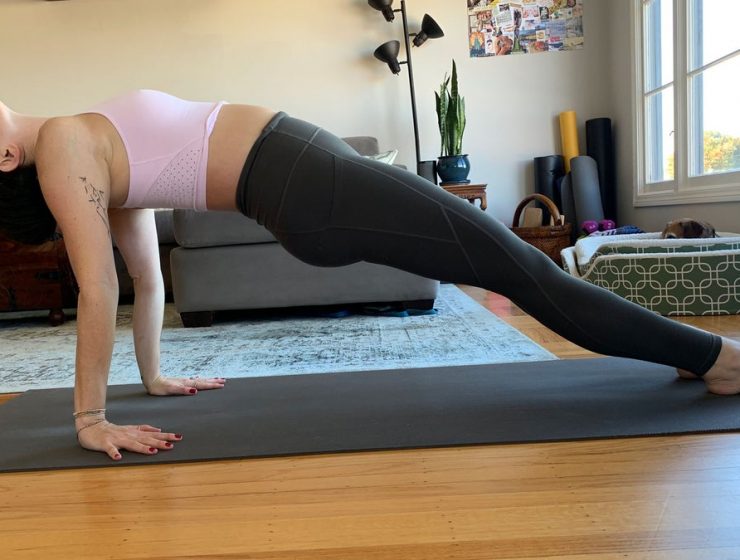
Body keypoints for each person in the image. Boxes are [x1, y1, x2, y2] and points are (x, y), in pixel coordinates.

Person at [1, 89, 738, 461]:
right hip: (309, 185)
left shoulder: (85, 144)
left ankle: (687, 353)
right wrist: (91, 420)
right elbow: (100, 286)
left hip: (310, 184)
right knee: (520, 267)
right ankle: (715, 358)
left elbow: (148, 279)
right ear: (5, 160)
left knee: (513, 268)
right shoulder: (65, 142)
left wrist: (155, 377)